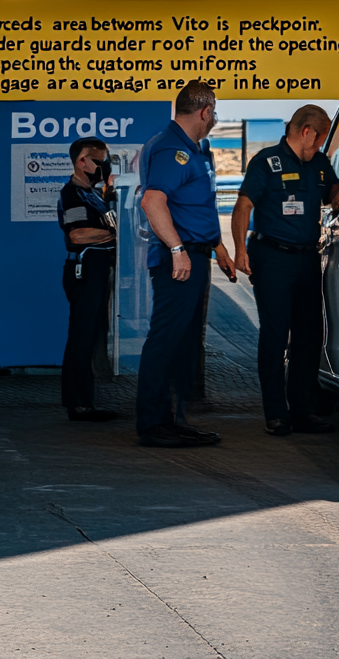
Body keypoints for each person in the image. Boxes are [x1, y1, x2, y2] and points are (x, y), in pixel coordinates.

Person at [232, 105, 339, 436]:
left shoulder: (320, 164)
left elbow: (333, 191)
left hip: (308, 259)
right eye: (321, 138)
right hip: (272, 257)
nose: (322, 147)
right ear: (306, 131)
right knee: (275, 333)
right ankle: (276, 412)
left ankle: (301, 410)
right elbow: (243, 205)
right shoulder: (266, 162)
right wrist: (240, 249)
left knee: (309, 335)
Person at [136, 80, 237, 447]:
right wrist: (178, 249)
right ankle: (152, 424)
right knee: (165, 341)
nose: (214, 120)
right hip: (177, 260)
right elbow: (153, 202)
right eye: (215, 113)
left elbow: (196, 207)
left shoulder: (195, 148)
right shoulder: (170, 149)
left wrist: (218, 247)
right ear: (205, 111)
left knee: (182, 345)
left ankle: (172, 420)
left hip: (195, 254)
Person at [57, 137, 120, 422]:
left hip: (97, 270)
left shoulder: (95, 195)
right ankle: (78, 403)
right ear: (82, 161)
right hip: (84, 271)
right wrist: (117, 236)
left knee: (93, 336)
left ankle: (87, 400)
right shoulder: (72, 194)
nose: (103, 167)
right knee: (81, 336)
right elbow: (77, 234)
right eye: (99, 161)